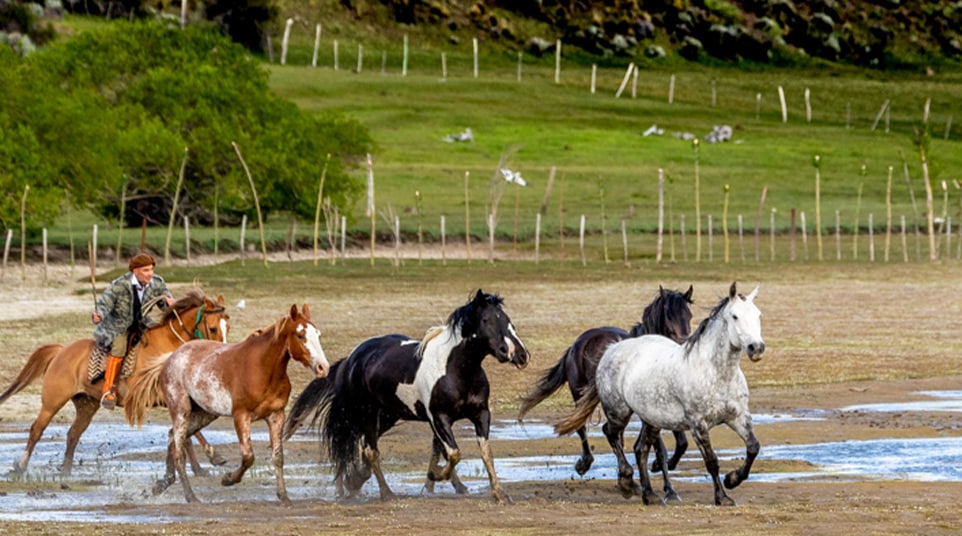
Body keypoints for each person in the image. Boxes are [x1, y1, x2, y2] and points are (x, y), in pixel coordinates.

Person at [92, 253, 174, 409]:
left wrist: (170, 303)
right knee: (119, 347)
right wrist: (98, 315)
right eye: (145, 270)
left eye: (151, 269)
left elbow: (166, 302)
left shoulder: (157, 283)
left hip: (142, 323)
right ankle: (108, 390)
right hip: (118, 326)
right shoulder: (119, 285)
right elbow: (104, 303)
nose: (150, 273)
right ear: (135, 271)